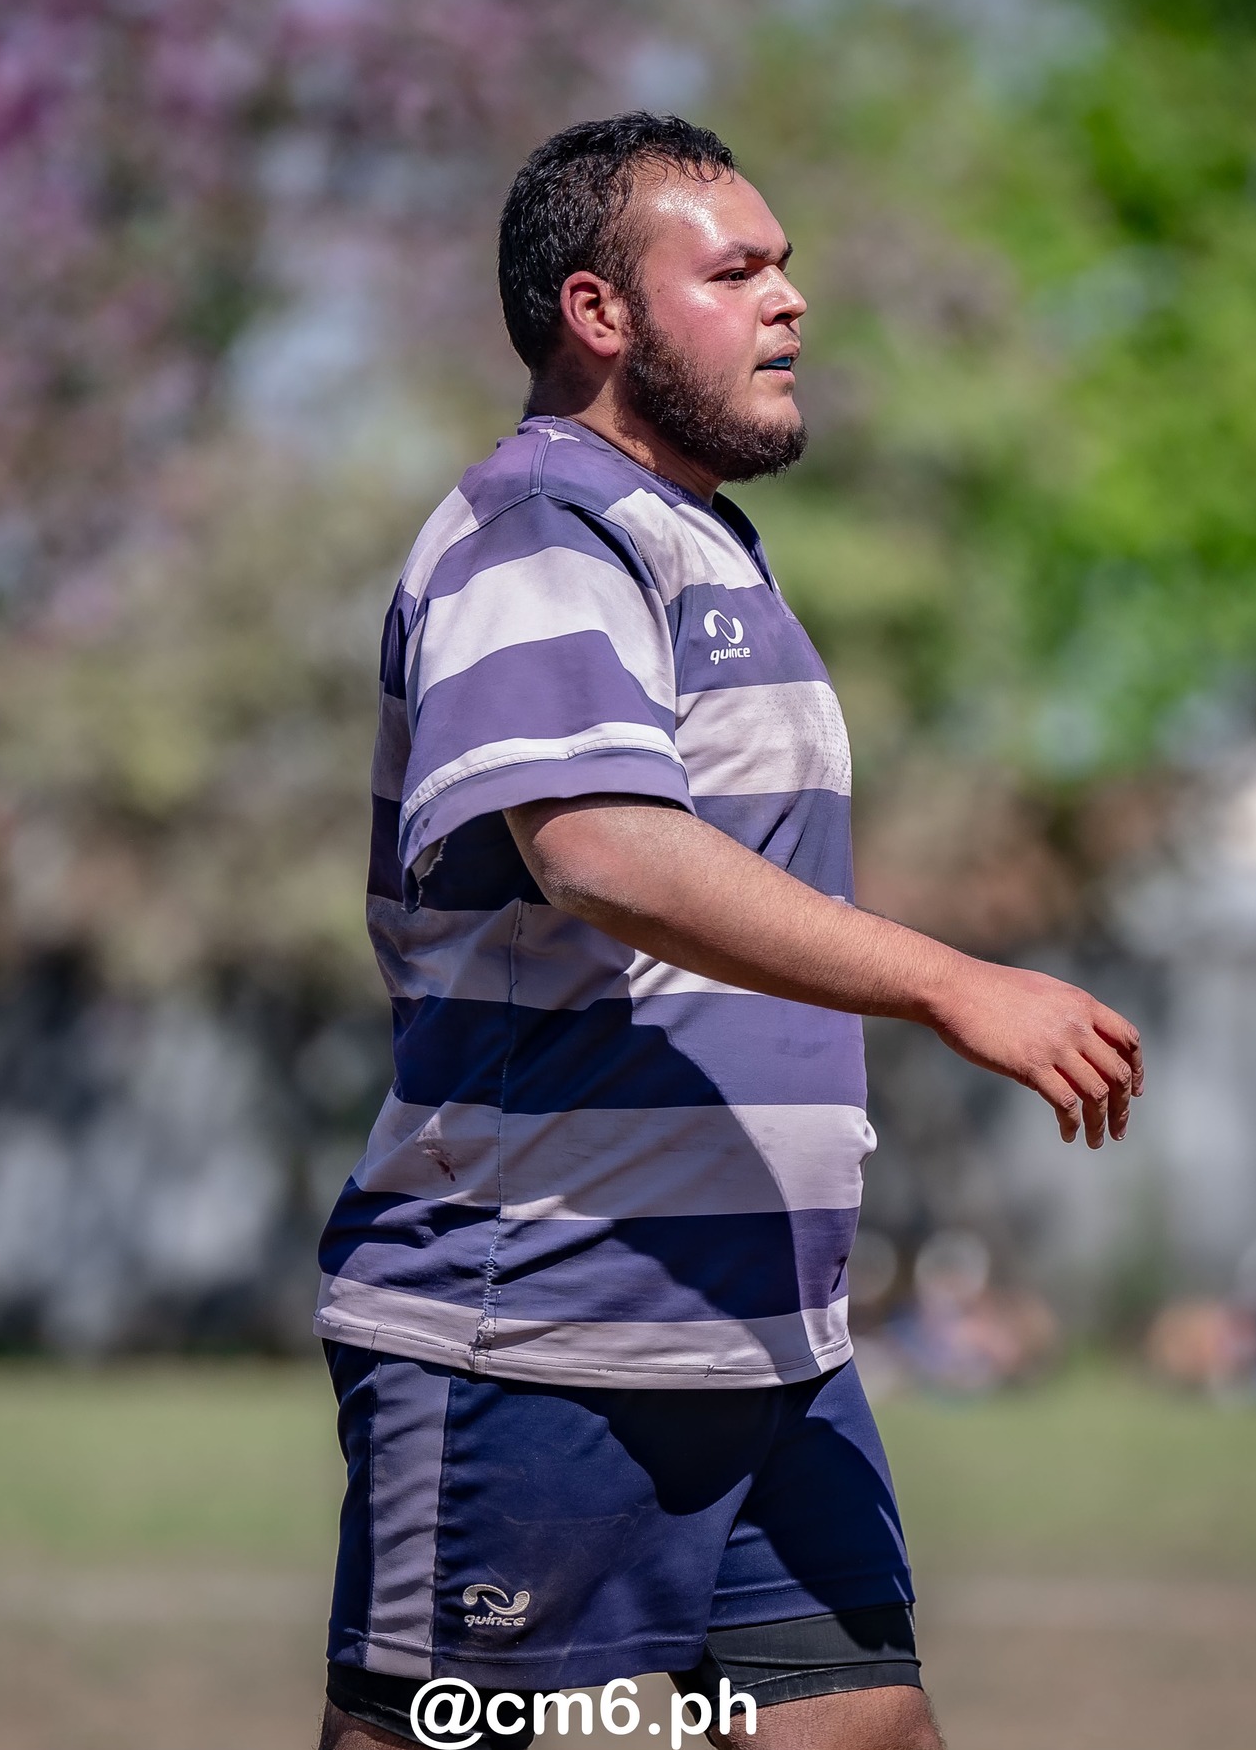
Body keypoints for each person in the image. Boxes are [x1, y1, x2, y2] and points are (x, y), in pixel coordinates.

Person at [314, 112, 1144, 1750]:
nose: (791, 300)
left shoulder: (704, 548)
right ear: (594, 312)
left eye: (785, 265)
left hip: (760, 1335)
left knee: (864, 1726)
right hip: (543, 1325)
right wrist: (946, 982)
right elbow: (602, 847)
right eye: (736, 268)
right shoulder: (539, 531)